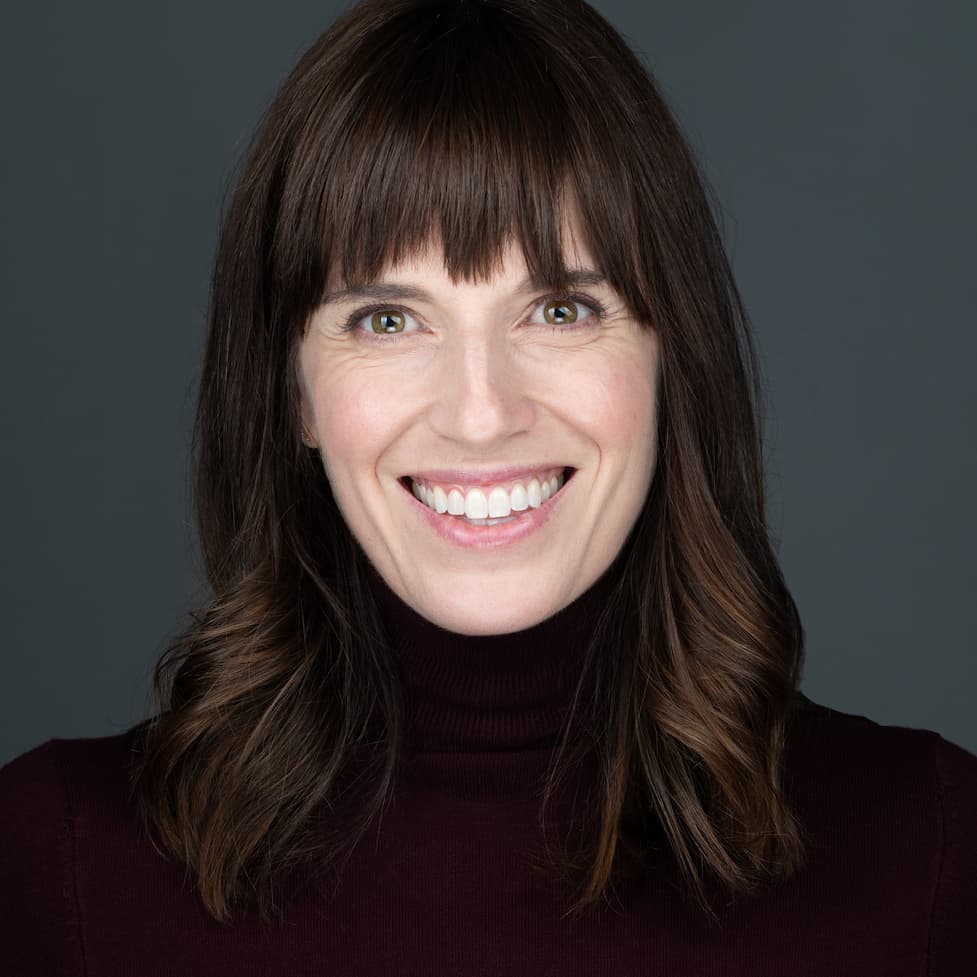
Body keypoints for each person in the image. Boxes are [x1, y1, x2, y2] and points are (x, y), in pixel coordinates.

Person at [2, 0, 975, 972]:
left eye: (557, 307)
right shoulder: (55, 870)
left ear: (667, 356)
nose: (478, 413)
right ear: (289, 390)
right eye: (387, 319)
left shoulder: (932, 854)